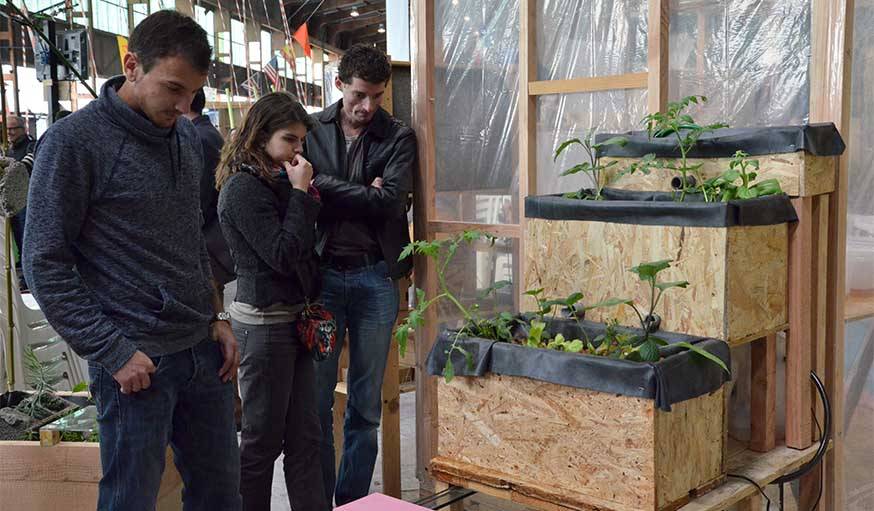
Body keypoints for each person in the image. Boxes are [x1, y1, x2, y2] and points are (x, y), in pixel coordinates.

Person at [23, 11, 241, 511]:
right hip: (136, 364)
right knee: (130, 499)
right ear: (132, 65)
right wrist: (112, 351)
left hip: (202, 356)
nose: (185, 106)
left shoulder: (186, 138)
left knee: (221, 496)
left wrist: (218, 316)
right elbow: (44, 262)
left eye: (193, 93)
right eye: (172, 88)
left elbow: (191, 241)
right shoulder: (74, 143)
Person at [306, 44, 417, 505]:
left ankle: (351, 500)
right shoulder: (311, 129)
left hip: (375, 280)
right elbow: (293, 185)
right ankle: (314, 497)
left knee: (366, 405)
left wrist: (322, 186)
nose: (367, 106)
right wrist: (361, 192)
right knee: (315, 402)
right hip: (323, 279)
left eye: (376, 95)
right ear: (339, 86)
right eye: (358, 95)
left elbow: (391, 202)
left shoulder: (397, 136)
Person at [216, 91, 328, 511]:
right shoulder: (243, 189)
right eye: (289, 140)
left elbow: (301, 244)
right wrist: (301, 194)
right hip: (263, 329)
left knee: (306, 439)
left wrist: (300, 193)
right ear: (259, 136)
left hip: (293, 321)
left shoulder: (275, 181)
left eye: (301, 141)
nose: (298, 150)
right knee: (261, 444)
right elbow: (283, 255)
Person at [5, 114, 35, 292]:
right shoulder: (9, 150)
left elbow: (24, 167)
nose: (9, 132)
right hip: (13, 203)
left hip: (27, 202)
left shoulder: (32, 146)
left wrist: (9, 170)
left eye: (13, 129)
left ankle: (28, 276)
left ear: (23, 129)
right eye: (7, 129)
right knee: (17, 238)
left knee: (26, 240)